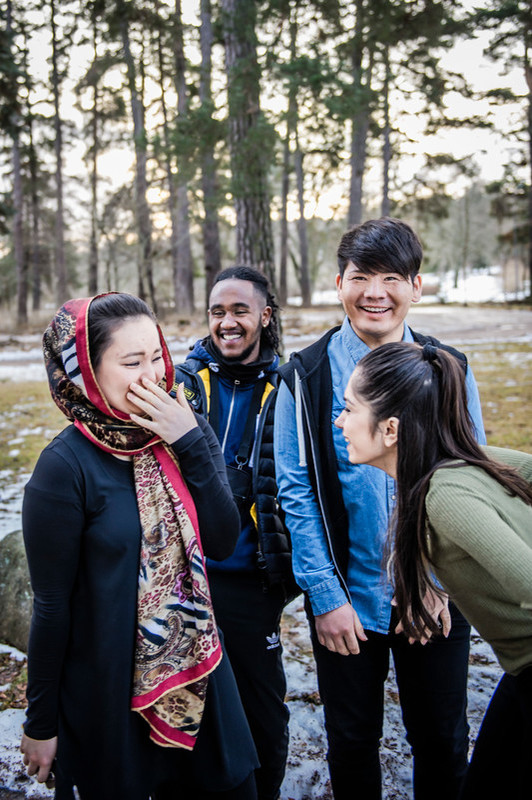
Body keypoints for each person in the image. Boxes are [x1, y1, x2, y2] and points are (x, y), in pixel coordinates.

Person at [274, 217, 486, 799]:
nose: (375, 292)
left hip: (435, 598)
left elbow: (471, 481)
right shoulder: (305, 375)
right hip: (348, 602)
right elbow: (296, 490)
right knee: (351, 739)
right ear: (339, 282)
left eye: (392, 277)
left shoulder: (450, 369)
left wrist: (437, 581)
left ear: (416, 287)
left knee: (443, 741)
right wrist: (326, 595)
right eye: (361, 276)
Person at [20, 292, 259, 800]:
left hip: (199, 670)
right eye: (131, 362)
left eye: (156, 355)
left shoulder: (184, 427)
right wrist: (40, 722)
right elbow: (52, 607)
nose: (153, 375)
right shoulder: (64, 469)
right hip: (107, 692)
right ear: (84, 371)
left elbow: (221, 540)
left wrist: (189, 441)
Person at [336, 340, 532, 799]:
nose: (340, 422)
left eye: (348, 409)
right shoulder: (465, 461)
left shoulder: (444, 494)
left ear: (389, 430)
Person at [174, 266, 297, 800]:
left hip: (251, 582)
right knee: (186, 712)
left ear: (264, 316)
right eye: (217, 312)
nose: (227, 322)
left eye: (240, 310)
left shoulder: (292, 386)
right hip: (186, 578)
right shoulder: (179, 385)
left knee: (262, 716)